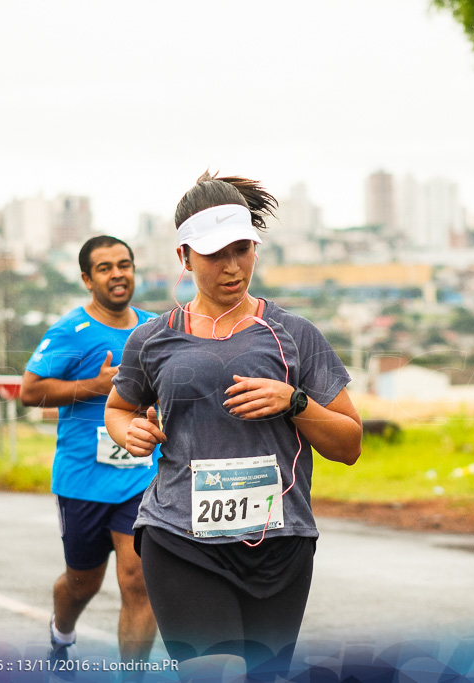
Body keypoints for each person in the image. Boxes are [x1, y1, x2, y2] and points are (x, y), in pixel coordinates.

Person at [104, 172, 363, 681]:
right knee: (215, 672)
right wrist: (128, 432)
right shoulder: (152, 339)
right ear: (184, 257)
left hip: (279, 542)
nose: (231, 266)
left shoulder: (294, 334)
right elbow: (119, 408)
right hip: (181, 537)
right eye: (214, 254)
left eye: (241, 250)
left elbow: (350, 443)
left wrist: (294, 401)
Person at [20, 235, 159, 665]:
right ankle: (62, 634)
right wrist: (94, 387)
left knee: (137, 580)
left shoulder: (156, 329)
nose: (118, 273)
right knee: (83, 583)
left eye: (125, 264)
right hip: (82, 479)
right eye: (105, 267)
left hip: (141, 476)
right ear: (87, 278)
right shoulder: (70, 331)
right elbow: (30, 390)